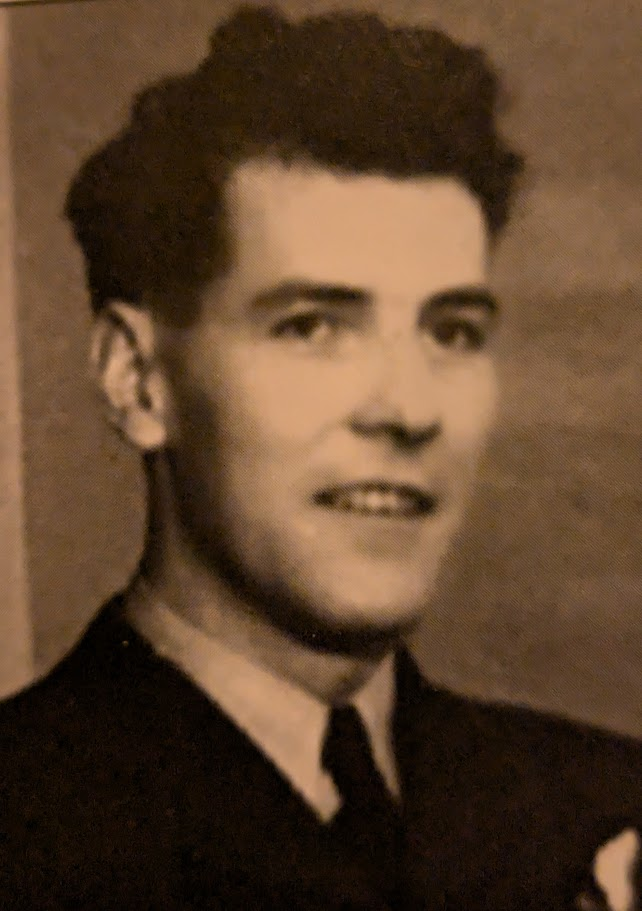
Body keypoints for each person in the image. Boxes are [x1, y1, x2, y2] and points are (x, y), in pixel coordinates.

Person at [0, 6, 639, 909]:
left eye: (452, 331)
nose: (409, 409)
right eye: (312, 327)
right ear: (137, 380)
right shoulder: (25, 831)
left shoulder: (606, 808)